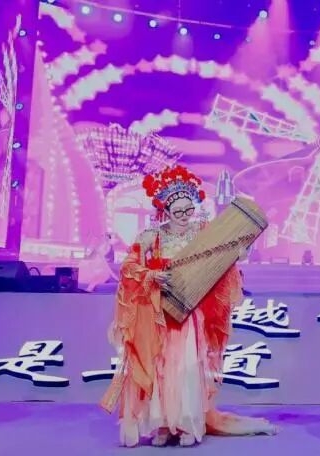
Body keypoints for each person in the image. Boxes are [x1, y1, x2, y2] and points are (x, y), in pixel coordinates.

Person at [100, 165, 275, 447]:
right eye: (178, 211)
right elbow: (129, 268)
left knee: (187, 368)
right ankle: (162, 425)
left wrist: (237, 252)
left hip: (189, 314)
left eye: (189, 209)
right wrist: (152, 275)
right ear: (165, 211)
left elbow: (223, 256)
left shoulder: (201, 233)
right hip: (159, 313)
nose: (184, 215)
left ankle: (187, 424)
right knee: (160, 368)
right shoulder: (151, 237)